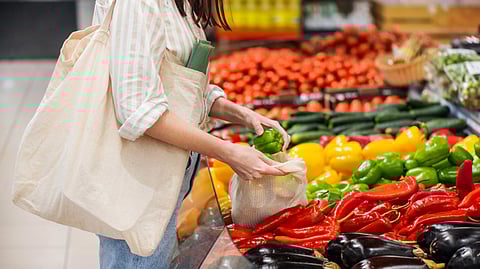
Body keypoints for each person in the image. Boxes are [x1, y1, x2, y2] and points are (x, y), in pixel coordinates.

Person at [91, 0, 290, 268]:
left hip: (163, 179)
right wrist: (227, 151)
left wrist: (244, 115)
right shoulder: (138, 3)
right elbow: (138, 111)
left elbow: (179, 84)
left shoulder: (178, 4)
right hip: (137, 184)